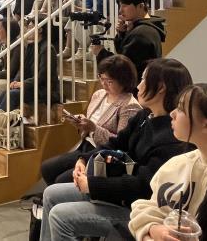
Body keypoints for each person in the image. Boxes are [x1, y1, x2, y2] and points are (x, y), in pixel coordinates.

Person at [39, 58, 193, 240]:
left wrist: (93, 185)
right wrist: (84, 159)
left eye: (144, 80)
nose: (139, 86)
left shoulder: (170, 138)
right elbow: (116, 143)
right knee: (50, 193)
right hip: (121, 193)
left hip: (138, 209)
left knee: (60, 216)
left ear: (160, 88)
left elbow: (144, 186)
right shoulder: (145, 116)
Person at [129, 83, 207, 241]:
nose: (172, 114)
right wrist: (153, 229)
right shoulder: (178, 165)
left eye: (181, 109)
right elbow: (151, 207)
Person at [41, 55, 142, 185]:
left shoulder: (129, 106)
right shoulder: (99, 95)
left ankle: (67, 194)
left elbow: (121, 144)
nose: (103, 83)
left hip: (103, 155)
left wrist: (93, 128)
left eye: (109, 81)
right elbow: (89, 126)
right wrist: (81, 124)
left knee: (62, 180)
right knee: (47, 168)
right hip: (85, 146)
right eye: (101, 78)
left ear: (123, 80)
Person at [92, 0, 166, 82]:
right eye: (120, 6)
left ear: (140, 6)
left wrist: (101, 53)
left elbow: (124, 68)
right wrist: (122, 34)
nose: (120, 11)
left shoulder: (141, 33)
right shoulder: (145, 27)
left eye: (125, 6)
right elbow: (125, 54)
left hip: (136, 87)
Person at [0, 19, 59, 118]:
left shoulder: (47, 49)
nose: (27, 30)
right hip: (32, 86)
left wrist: (23, 84)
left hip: (44, 90)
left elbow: (42, 77)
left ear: (40, 30)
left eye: (30, 27)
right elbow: (23, 69)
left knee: (11, 95)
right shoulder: (31, 46)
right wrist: (16, 82)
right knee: (5, 91)